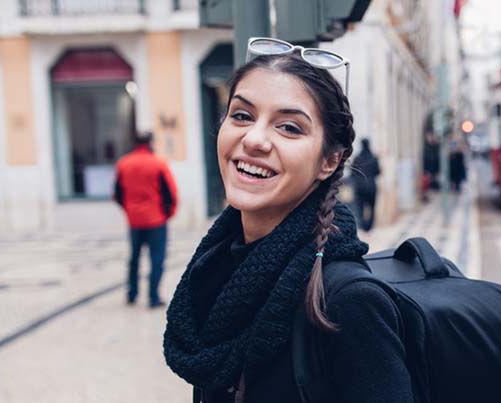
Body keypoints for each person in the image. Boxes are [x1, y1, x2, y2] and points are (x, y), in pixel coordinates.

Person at [163, 39, 412, 402]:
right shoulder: (215, 269)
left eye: (289, 128)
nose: (255, 139)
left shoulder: (347, 301)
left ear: (329, 161)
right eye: (242, 115)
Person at [113, 131, 178, 308]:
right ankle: (153, 297)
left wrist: (129, 211)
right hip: (156, 220)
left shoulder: (123, 163)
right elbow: (171, 194)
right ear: (150, 142)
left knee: (134, 258)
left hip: (134, 221)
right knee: (157, 259)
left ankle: (132, 294)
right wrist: (167, 214)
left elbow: (117, 194)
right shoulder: (158, 164)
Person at [352, 137, 381, 232]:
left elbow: (353, 173)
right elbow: (378, 172)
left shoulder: (357, 158)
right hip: (372, 187)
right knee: (371, 208)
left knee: (361, 207)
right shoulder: (373, 158)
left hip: (360, 187)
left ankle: (364, 227)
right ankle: (369, 227)